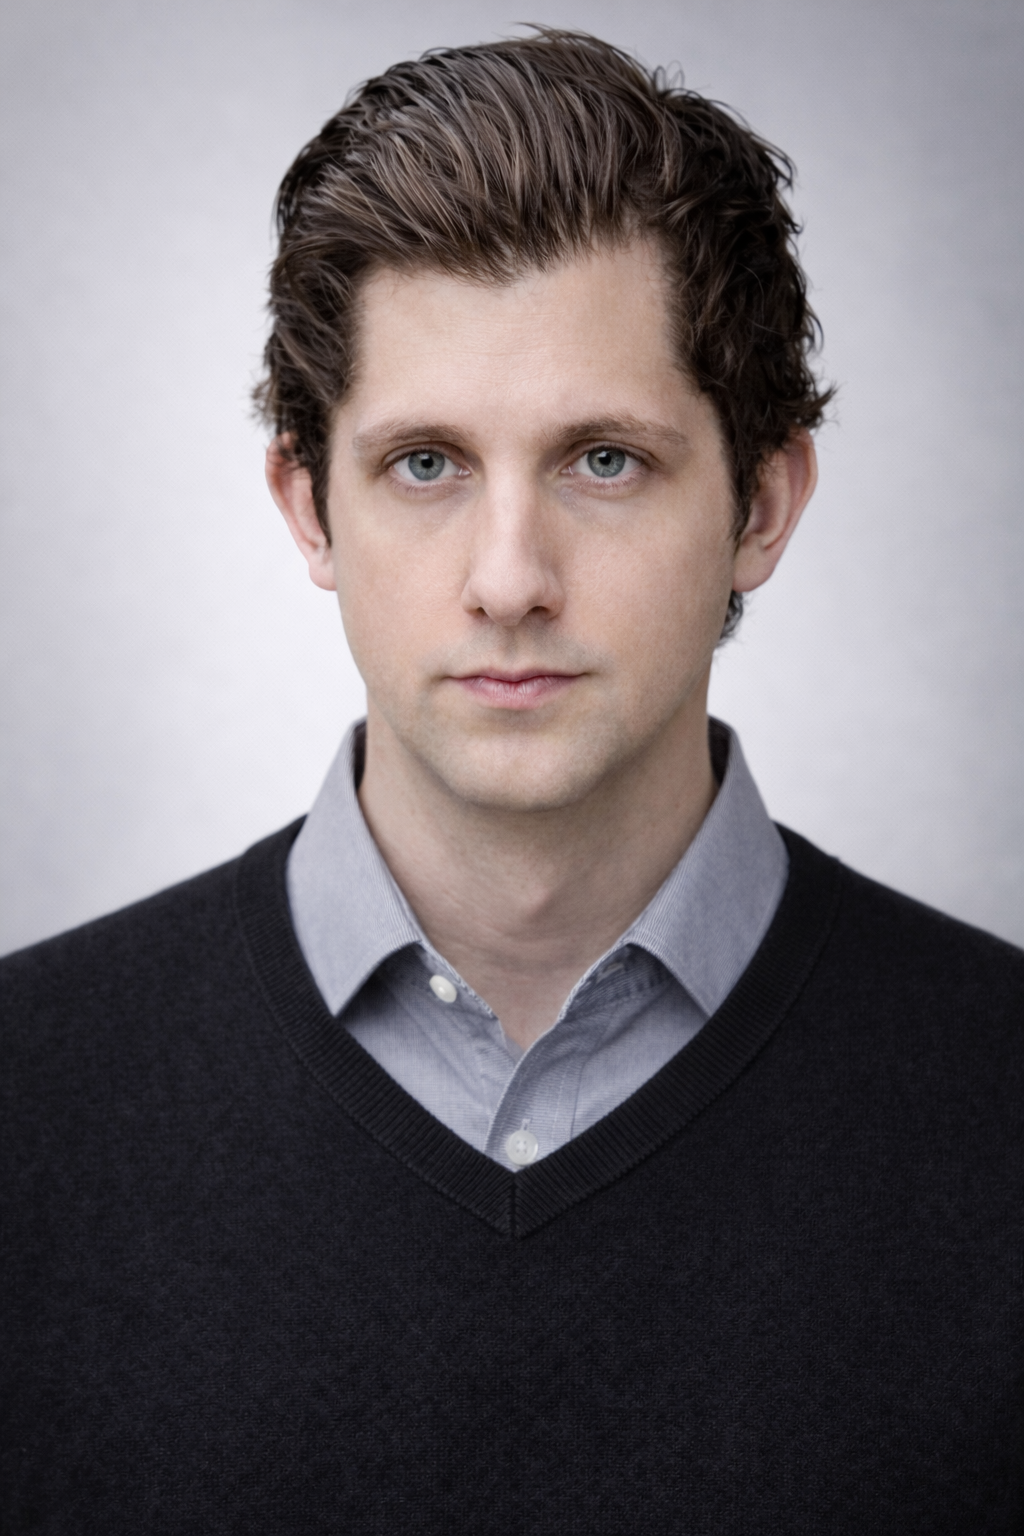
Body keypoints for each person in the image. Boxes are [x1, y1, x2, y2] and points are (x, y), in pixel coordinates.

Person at [2, 29, 1021, 1534]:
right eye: (424, 464)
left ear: (763, 504)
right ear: (309, 504)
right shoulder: (30, 1105)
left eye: (603, 461)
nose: (508, 580)